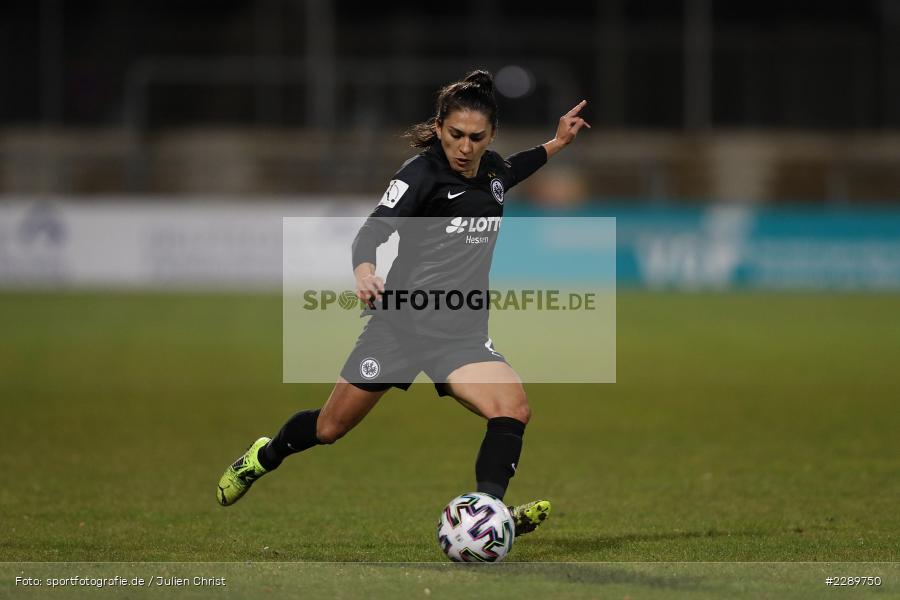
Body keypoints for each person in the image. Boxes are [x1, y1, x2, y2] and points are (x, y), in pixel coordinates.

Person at [216, 70, 589, 539]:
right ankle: (262, 457)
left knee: (512, 407)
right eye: (455, 135)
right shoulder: (421, 175)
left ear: (490, 136)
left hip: (460, 335)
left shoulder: (493, 171)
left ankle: (488, 513)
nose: (465, 146)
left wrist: (556, 144)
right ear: (438, 129)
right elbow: (372, 231)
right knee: (330, 428)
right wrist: (366, 272)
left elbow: (516, 167)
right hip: (400, 330)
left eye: (476, 137)